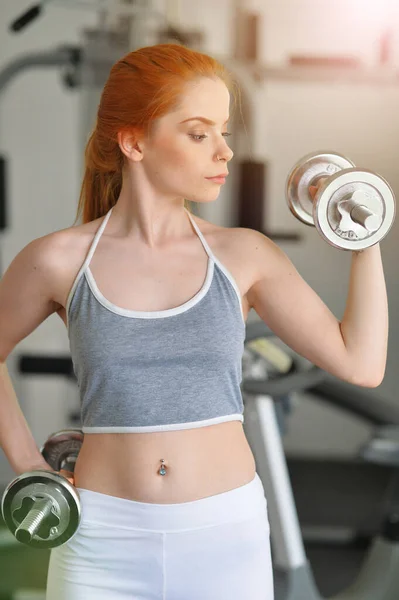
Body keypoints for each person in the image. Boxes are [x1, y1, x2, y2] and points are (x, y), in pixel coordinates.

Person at [0, 43, 388, 600]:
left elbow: (361, 363)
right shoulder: (58, 261)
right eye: (199, 132)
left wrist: (364, 238)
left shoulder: (244, 256)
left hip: (224, 538)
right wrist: (29, 467)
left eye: (224, 132)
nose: (224, 152)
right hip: (103, 541)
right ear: (134, 141)